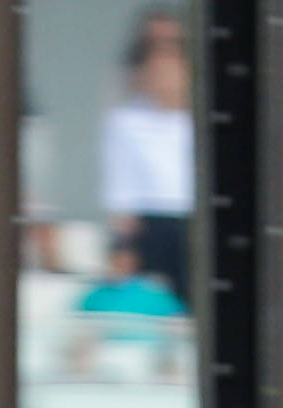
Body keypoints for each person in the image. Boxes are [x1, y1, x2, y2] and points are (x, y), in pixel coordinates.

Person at [101, 15, 197, 302]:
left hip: (191, 223)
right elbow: (120, 189)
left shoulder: (198, 123)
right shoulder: (126, 121)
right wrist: (123, 244)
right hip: (150, 225)